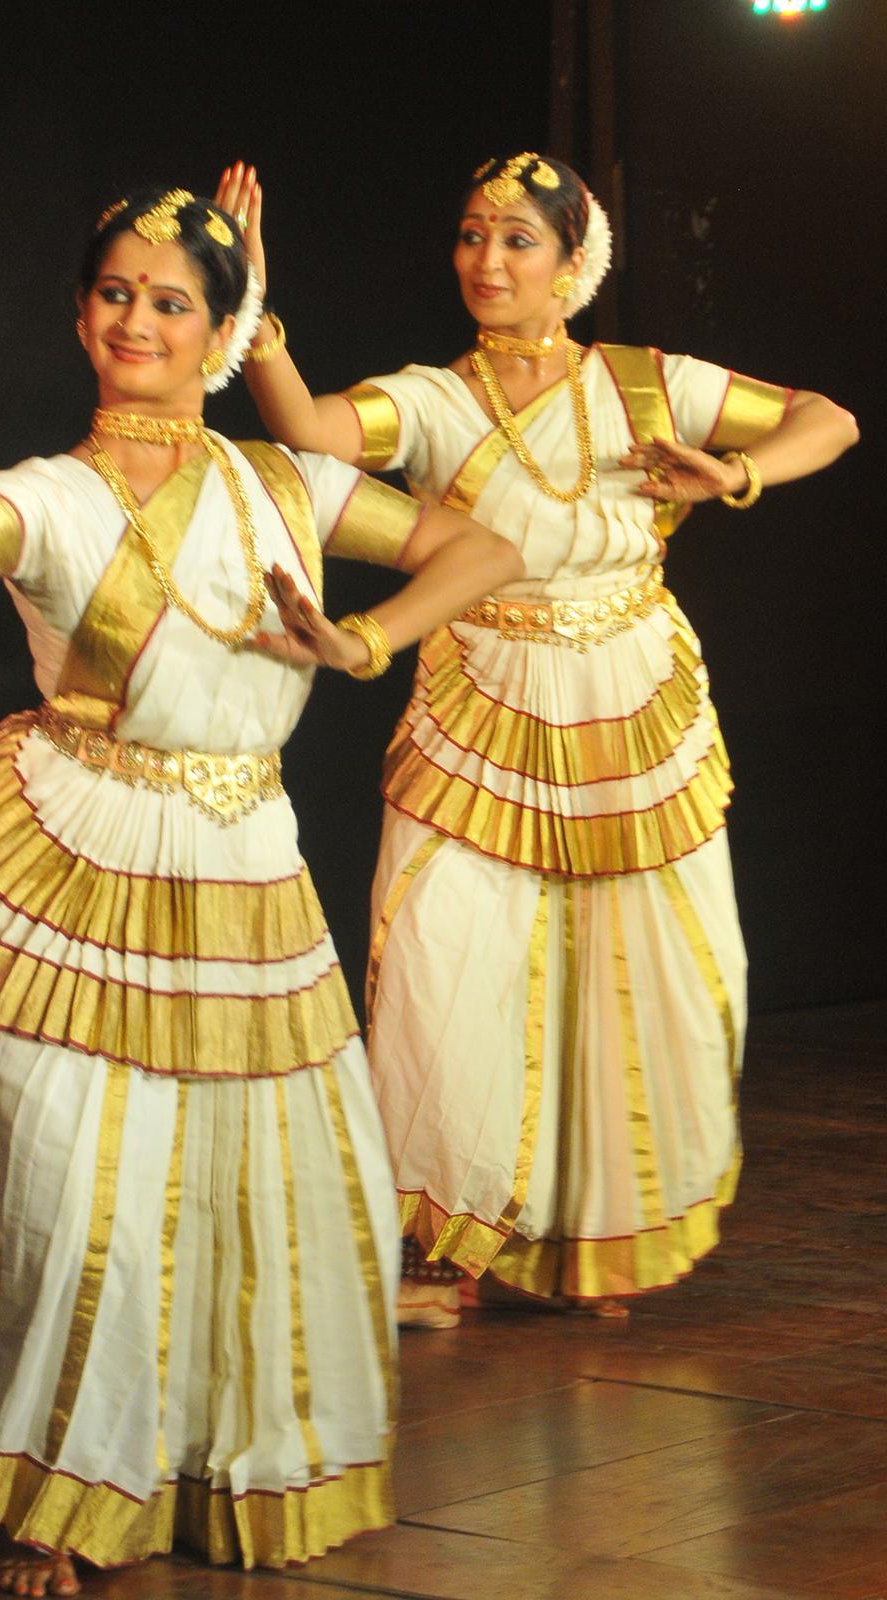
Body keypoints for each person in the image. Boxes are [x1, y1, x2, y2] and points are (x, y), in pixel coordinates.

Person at [0, 186, 524, 1594]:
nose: (138, 319)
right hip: (79, 858)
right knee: (78, 1185)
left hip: (245, 865)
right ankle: (66, 1494)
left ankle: (206, 1465)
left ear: (218, 330)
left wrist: (367, 639)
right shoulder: (51, 493)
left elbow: (486, 546)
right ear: (81, 316)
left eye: (172, 299)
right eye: (117, 294)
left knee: (252, 1178)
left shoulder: (285, 483)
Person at [218, 153, 859, 1328]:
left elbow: (831, 420)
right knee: (445, 960)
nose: (487, 261)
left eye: (518, 240)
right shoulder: (431, 397)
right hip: (481, 691)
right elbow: (308, 427)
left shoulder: (647, 383)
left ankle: (587, 1233)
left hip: (633, 694)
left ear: (575, 263)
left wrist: (737, 476)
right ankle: (446, 1235)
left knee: (630, 965)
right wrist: (253, 310)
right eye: (472, 234)